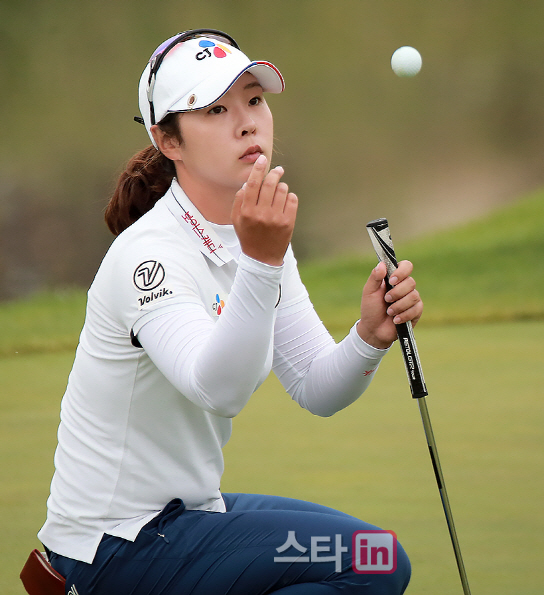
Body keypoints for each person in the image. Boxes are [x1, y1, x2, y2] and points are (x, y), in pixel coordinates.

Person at [37, 29, 422, 594]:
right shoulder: (150, 256)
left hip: (186, 515)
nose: (247, 123)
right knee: (374, 561)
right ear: (168, 141)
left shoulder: (254, 237)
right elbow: (220, 390)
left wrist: (369, 335)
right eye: (215, 109)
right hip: (113, 546)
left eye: (254, 100)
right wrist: (262, 262)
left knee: (372, 551)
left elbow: (316, 387)